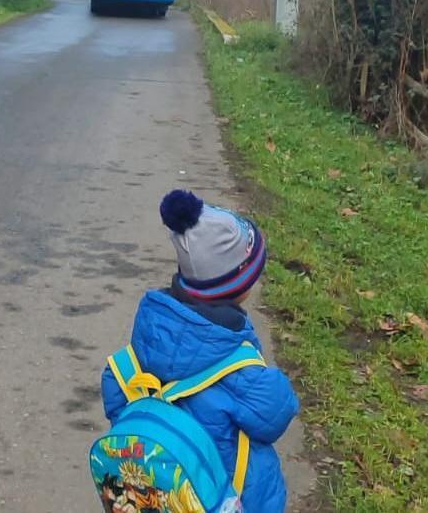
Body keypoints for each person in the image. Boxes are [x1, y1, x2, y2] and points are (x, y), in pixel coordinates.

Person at [100, 189, 300, 512]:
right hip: (229, 498)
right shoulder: (241, 373)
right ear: (239, 287)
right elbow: (278, 410)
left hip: (161, 498)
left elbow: (115, 387)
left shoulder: (145, 345)